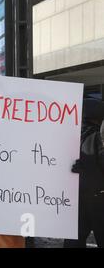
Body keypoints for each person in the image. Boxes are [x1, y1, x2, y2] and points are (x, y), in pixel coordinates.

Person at [65, 98, 104, 248]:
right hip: (98, 200)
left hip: (76, 201)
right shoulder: (99, 138)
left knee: (73, 242)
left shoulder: (68, 137)